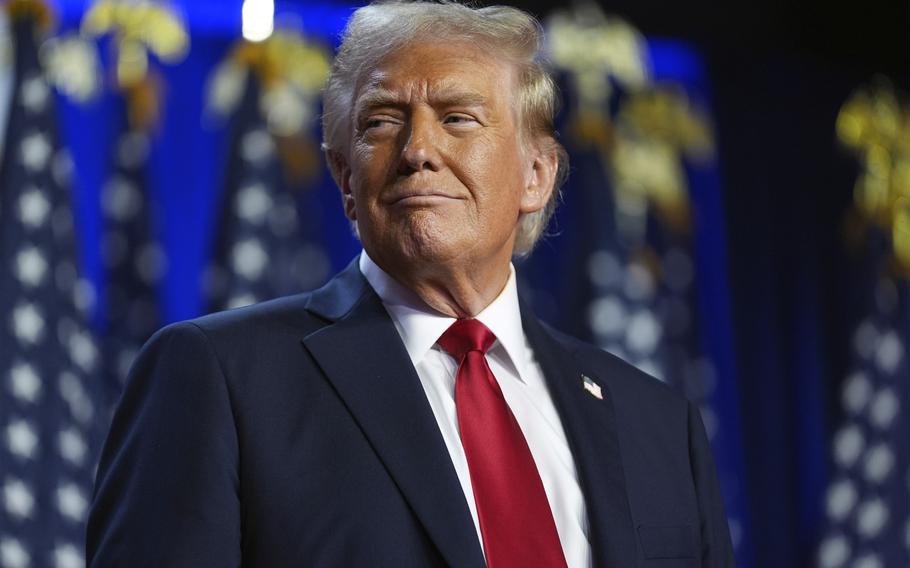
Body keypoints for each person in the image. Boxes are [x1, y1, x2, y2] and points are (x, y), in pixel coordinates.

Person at [86, 2, 735, 566]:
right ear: (345, 179)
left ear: (536, 175)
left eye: (457, 117)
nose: (418, 149)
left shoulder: (655, 422)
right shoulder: (219, 378)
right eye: (381, 121)